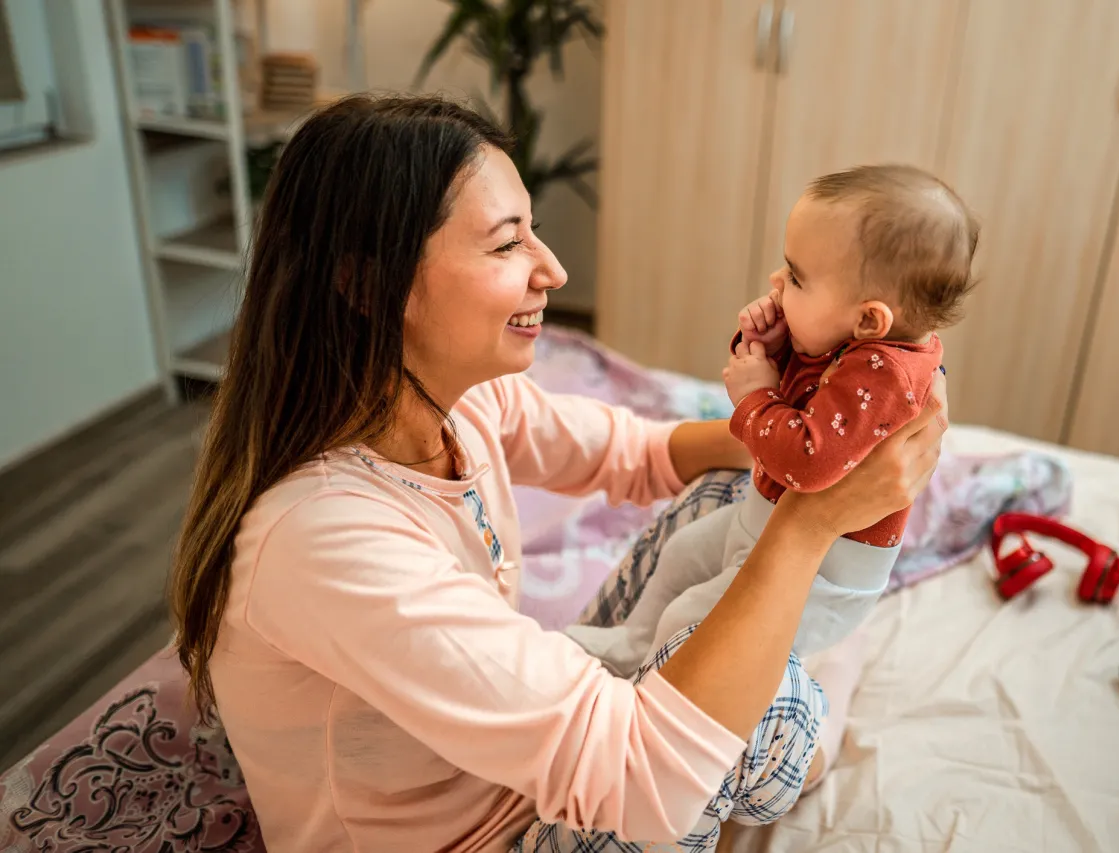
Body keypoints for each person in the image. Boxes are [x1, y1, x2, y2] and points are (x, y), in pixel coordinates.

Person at [167, 95, 948, 853]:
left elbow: (636, 454)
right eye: (508, 245)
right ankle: (805, 725)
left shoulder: (455, 403)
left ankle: (790, 707)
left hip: (523, 770)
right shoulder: (325, 538)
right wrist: (814, 521)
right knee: (762, 701)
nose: (554, 270)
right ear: (371, 286)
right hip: (485, 833)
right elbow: (646, 785)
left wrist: (814, 430)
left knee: (722, 498)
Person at [569, 165, 977, 678]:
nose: (778, 282)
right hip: (769, 526)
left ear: (870, 320)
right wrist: (770, 348)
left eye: (798, 277)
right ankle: (630, 642)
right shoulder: (853, 343)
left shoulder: (886, 375)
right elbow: (805, 391)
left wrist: (754, 395)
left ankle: (640, 678)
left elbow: (806, 460)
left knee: (690, 617)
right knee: (681, 556)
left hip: (821, 576)